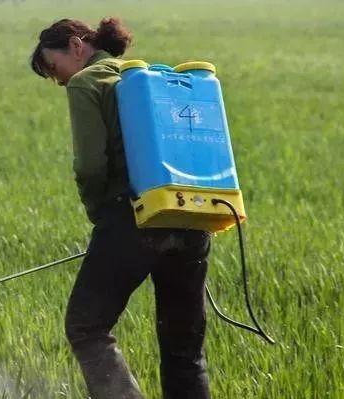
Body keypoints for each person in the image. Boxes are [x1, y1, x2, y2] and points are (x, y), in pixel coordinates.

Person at [30, 18, 212, 399]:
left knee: (86, 327)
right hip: (192, 218)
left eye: (53, 67)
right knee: (184, 350)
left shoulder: (86, 83)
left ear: (77, 46)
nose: (57, 79)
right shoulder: (146, 79)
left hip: (131, 219)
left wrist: (101, 215)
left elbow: (90, 167)